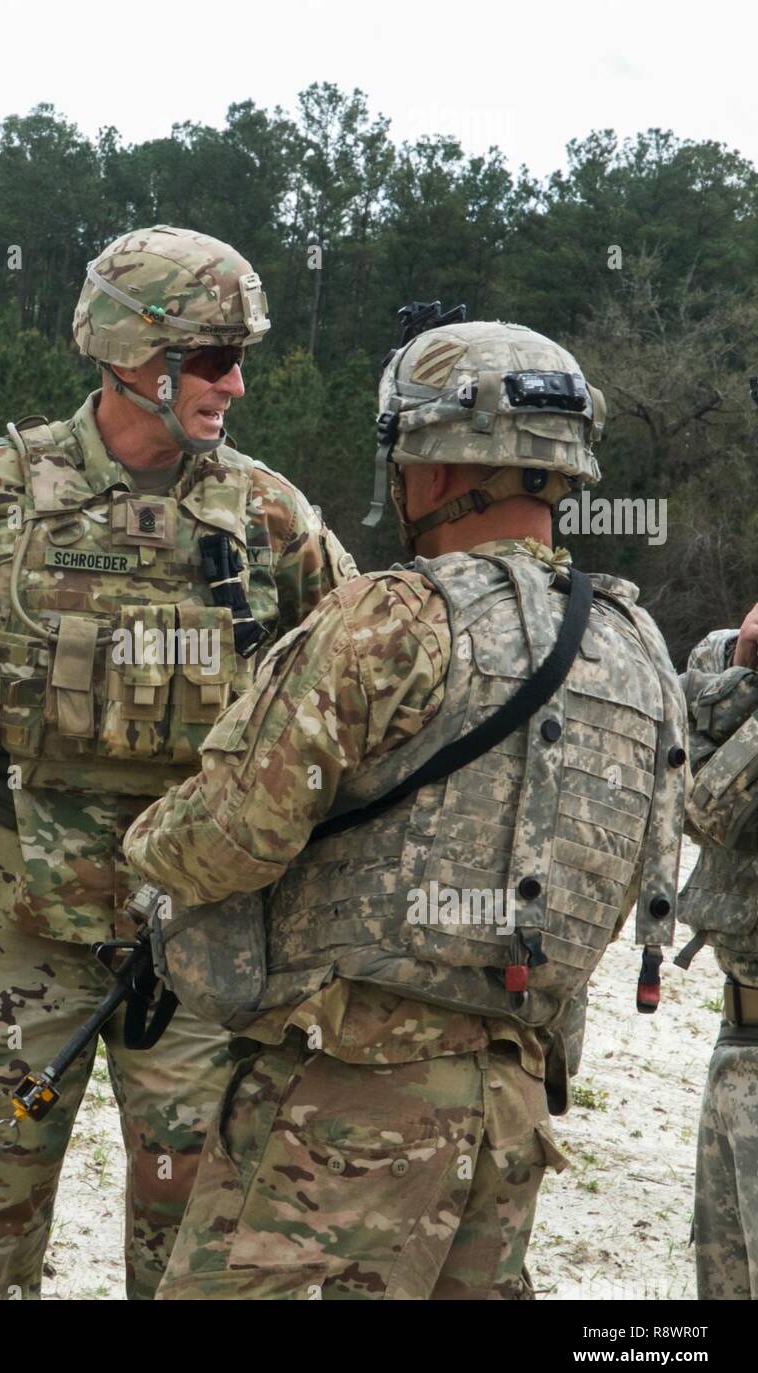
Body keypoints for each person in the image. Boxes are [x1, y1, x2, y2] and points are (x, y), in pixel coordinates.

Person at [0, 225, 357, 1299]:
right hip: (15, 938)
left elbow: (353, 678)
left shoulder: (268, 515)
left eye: (238, 357)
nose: (235, 382)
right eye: (213, 356)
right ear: (135, 352)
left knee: (198, 1251)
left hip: (197, 949)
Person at [124, 318, 686, 1300]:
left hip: (348, 1111)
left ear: (425, 468)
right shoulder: (639, 653)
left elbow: (233, 831)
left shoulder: (392, 615)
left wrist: (143, 851)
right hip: (512, 1113)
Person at [677, 601, 758, 1299]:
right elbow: (686, 797)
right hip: (737, 1033)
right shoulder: (722, 658)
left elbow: (718, 807)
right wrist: (744, 674)